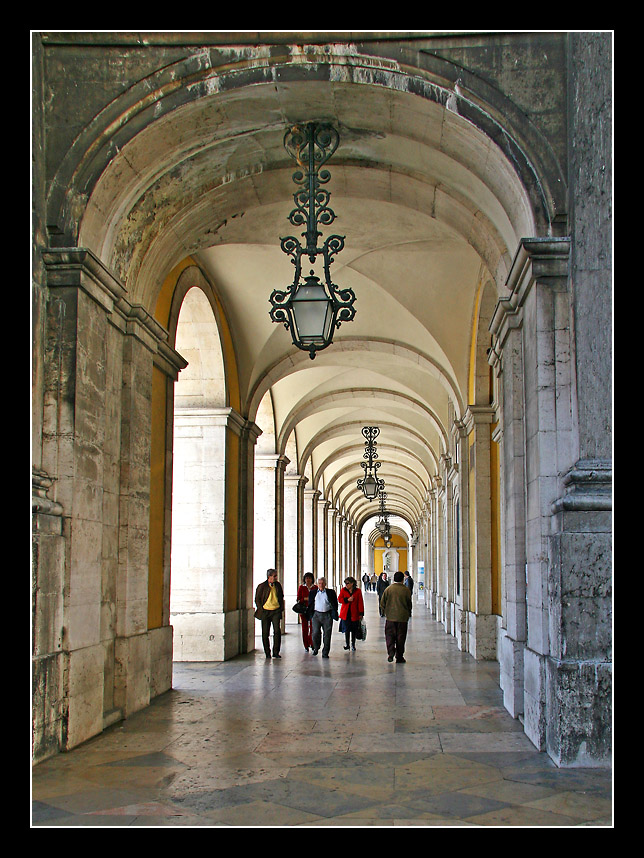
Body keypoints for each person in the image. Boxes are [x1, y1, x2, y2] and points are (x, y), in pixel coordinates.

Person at [379, 570, 413, 663]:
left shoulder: (388, 589)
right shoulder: (406, 590)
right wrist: (408, 612)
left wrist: (386, 612)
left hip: (390, 618)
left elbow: (382, 603)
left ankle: (390, 652)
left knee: (389, 636)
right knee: (401, 637)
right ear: (402, 579)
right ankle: (399, 656)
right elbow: (409, 604)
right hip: (402, 618)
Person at [254, 569, 284, 659]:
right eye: (274, 576)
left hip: (275, 611)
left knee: (277, 632)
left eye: (276, 576)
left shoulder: (278, 585)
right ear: (269, 577)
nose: (276, 578)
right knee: (265, 633)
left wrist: (280, 608)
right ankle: (267, 652)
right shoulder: (262, 586)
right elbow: (257, 599)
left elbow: (281, 596)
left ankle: (276, 652)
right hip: (265, 612)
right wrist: (261, 609)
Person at [307, 577, 338, 658]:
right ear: (317, 584)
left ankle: (325, 652)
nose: (321, 585)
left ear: (325, 584)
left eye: (322, 583)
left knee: (327, 635)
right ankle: (316, 648)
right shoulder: (313, 592)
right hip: (316, 615)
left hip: (327, 615)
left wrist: (333, 613)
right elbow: (310, 603)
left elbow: (335, 603)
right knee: (315, 633)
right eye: (319, 583)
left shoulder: (330, 592)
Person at [338, 577, 365, 651]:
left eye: (347, 583)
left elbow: (360, 602)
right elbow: (339, 599)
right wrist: (347, 600)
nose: (346, 585)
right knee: (346, 630)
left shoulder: (358, 591)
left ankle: (353, 644)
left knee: (354, 630)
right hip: (346, 613)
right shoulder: (343, 590)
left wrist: (361, 613)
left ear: (352, 583)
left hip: (354, 613)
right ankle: (347, 644)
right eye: (345, 583)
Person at [297, 572, 316, 652]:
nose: (308, 580)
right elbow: (298, 598)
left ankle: (312, 643)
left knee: (313, 627)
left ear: (312, 579)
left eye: (309, 578)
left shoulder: (315, 587)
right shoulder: (301, 587)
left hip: (313, 610)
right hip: (304, 610)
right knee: (305, 628)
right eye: (306, 578)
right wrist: (305, 599)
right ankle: (306, 645)